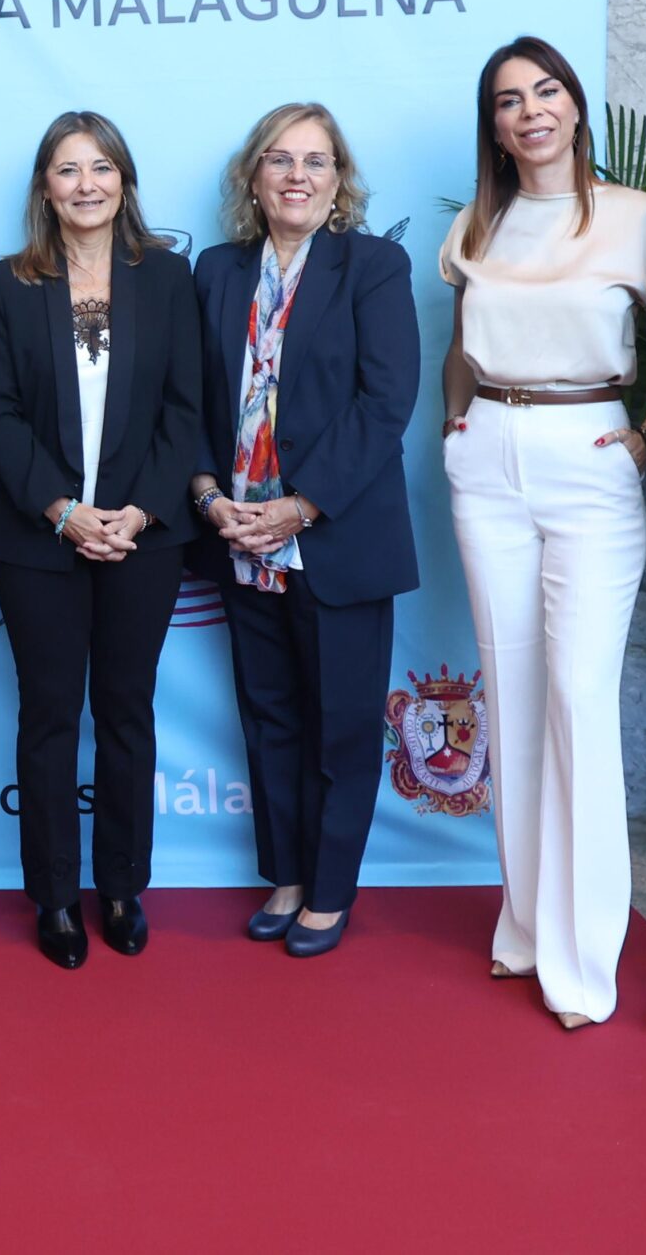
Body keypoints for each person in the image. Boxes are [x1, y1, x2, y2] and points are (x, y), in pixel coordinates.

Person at [437, 37, 646, 1029]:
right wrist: (455, 428)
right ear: (491, 126)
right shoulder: (475, 223)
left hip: (589, 452)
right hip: (487, 455)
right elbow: (459, 343)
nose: (528, 110)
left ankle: (582, 963)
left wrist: (645, 442)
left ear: (576, 107)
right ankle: (526, 927)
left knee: (578, 696)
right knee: (513, 693)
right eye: (506, 100)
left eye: (545, 92)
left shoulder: (638, 219)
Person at [188, 102, 420, 958]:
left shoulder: (373, 265)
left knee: (342, 723)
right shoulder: (215, 270)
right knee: (270, 716)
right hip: (237, 533)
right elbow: (188, 398)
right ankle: (283, 874)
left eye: (316, 161)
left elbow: (386, 402)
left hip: (333, 535)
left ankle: (328, 889)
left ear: (339, 180)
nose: (297, 175)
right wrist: (212, 497)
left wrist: (300, 504)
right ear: (253, 176)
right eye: (279, 160)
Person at [0, 113, 203, 968]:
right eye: (67, 170)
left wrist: (138, 512)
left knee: (127, 712)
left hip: (146, 535)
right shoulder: (4, 284)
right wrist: (62, 510)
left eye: (101, 167)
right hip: (39, 536)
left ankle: (121, 885)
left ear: (125, 182)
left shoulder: (168, 279)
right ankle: (57, 897)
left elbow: (187, 409)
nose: (85, 184)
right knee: (48, 715)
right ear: (44, 187)